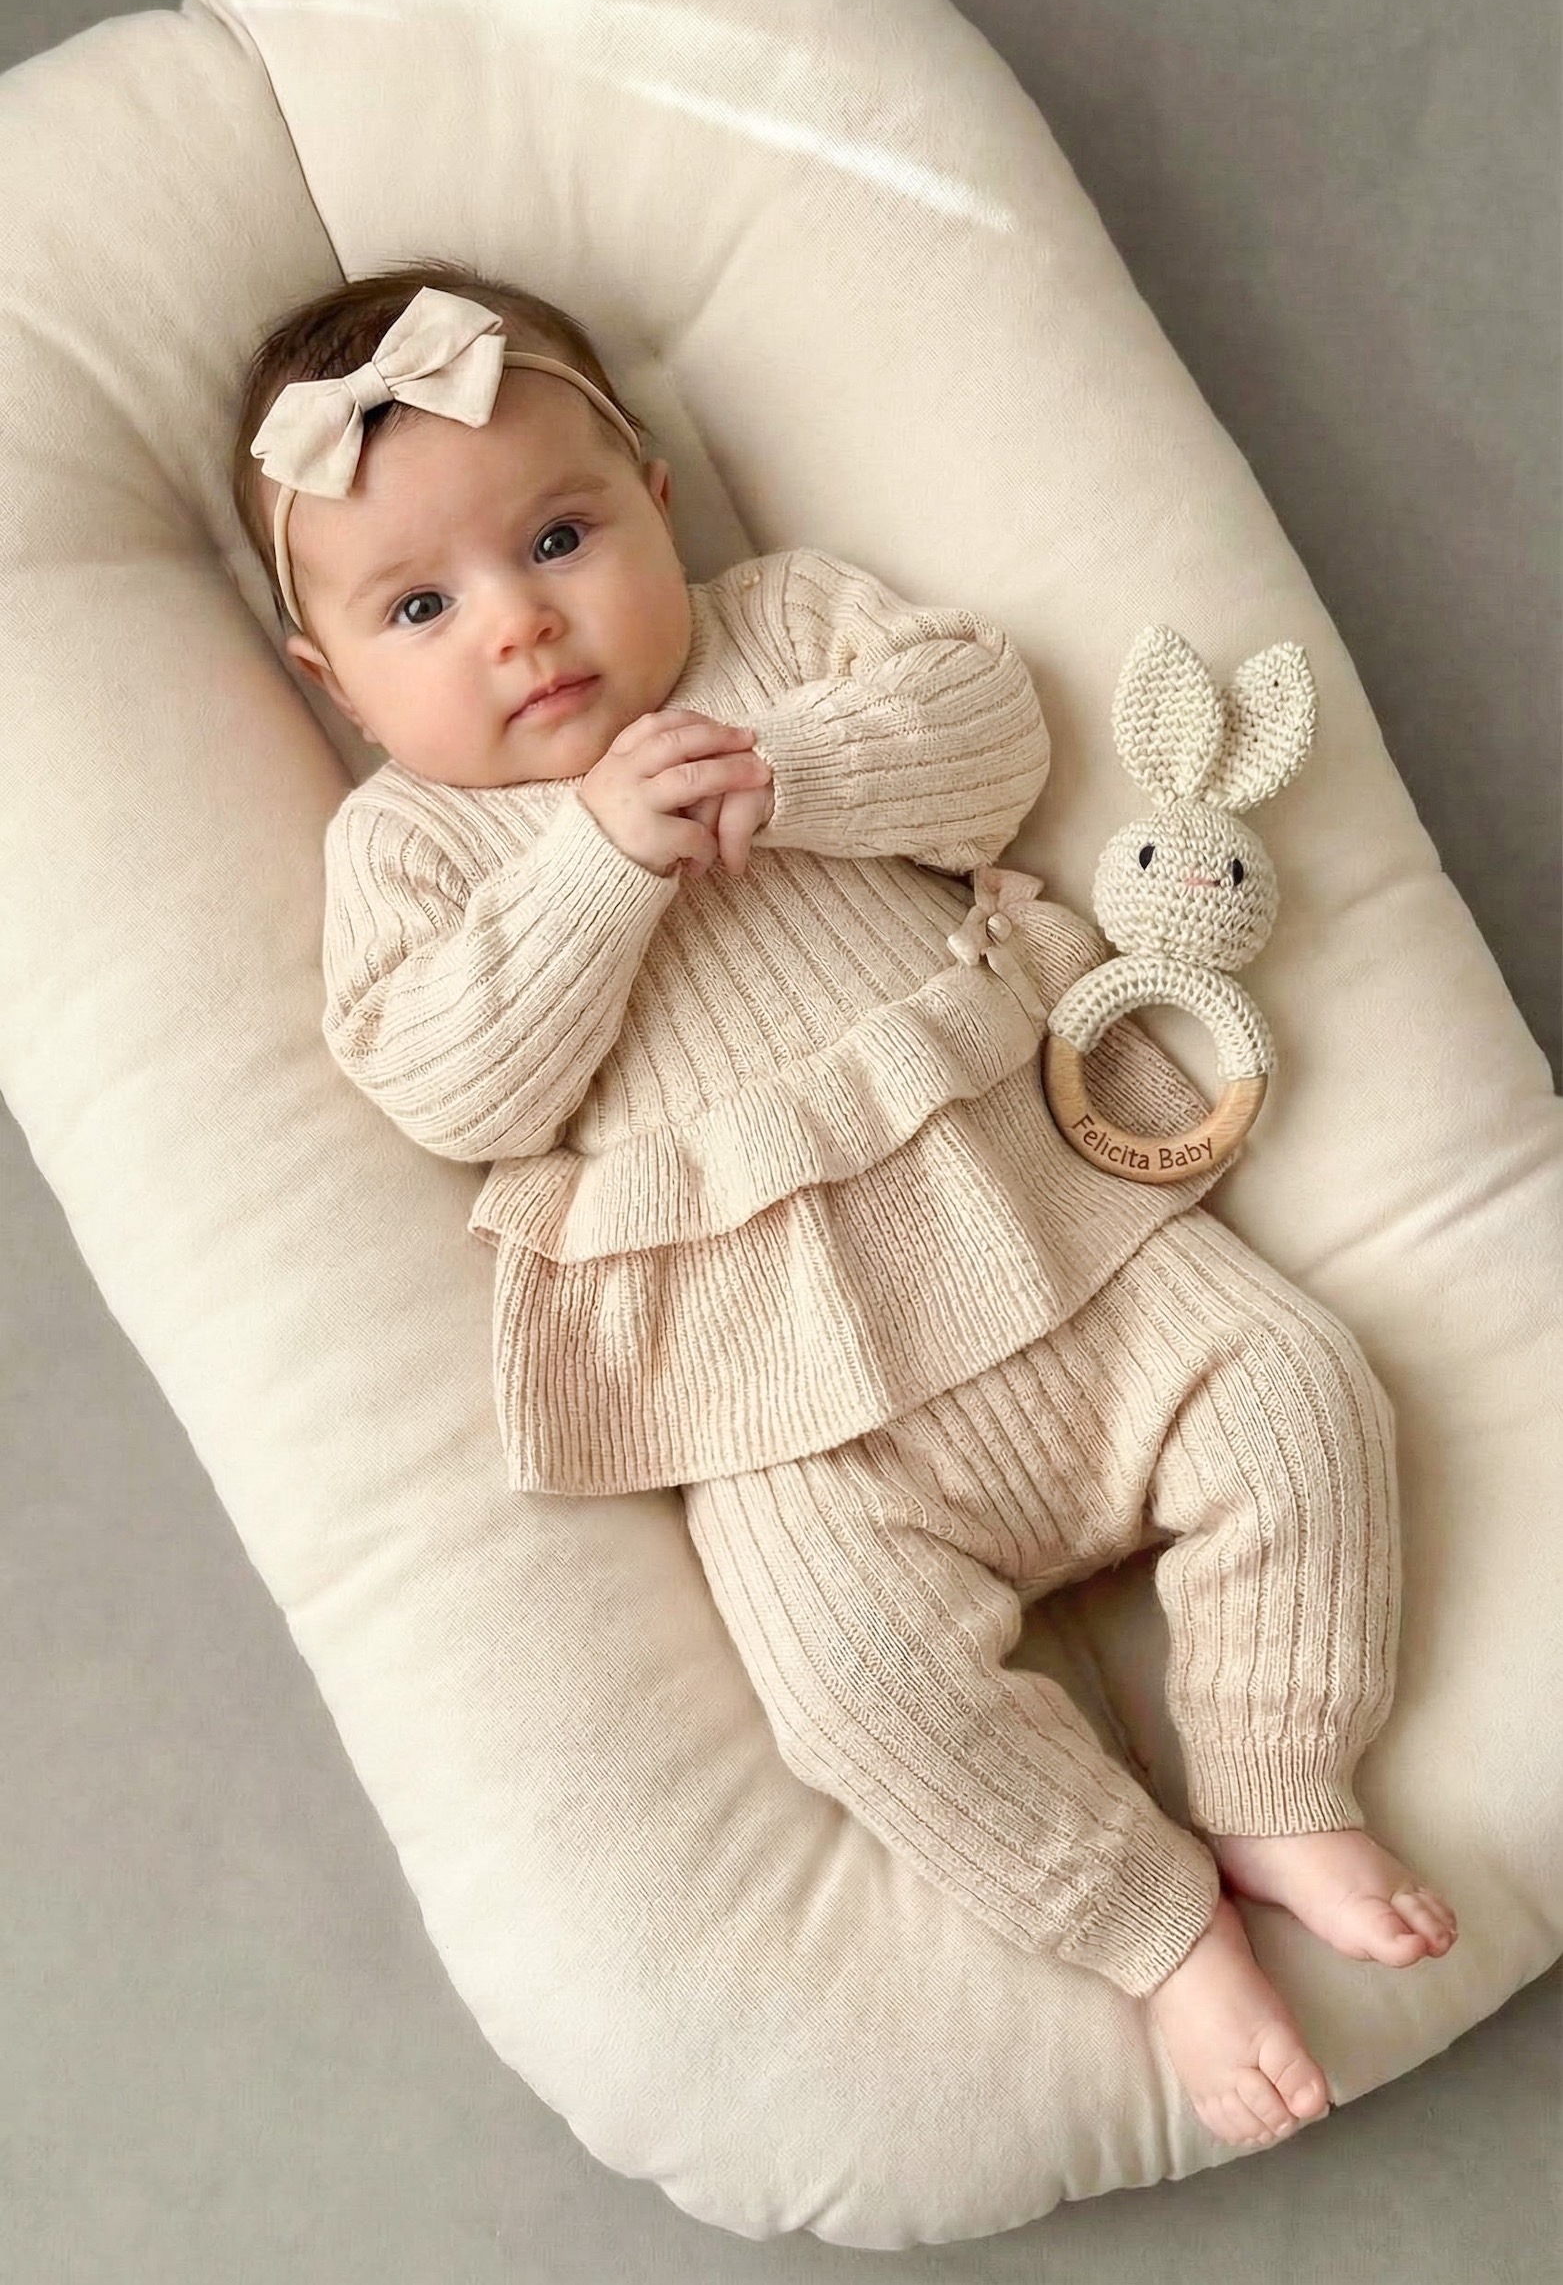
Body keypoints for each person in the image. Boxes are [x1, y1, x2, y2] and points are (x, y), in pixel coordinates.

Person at [233, 260, 1458, 2152]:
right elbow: (446, 1083)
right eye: (420, 607)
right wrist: (596, 868)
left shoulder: (785, 628)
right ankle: (1155, 1927)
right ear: (333, 680)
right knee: (853, 1692)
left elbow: (990, 735)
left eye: (558, 537)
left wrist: (788, 772)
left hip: (1073, 1240)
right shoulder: (406, 844)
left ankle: (1276, 1782)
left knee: (1304, 1394)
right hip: (791, 1399)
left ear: (656, 497)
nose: (521, 624)